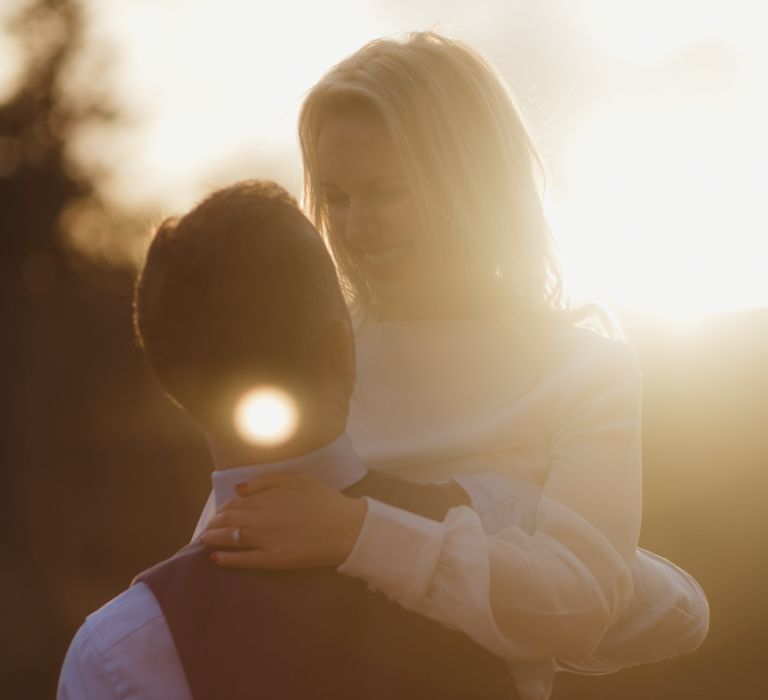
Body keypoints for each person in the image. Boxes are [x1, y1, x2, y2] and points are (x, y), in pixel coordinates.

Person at [196, 33, 709, 700]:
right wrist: (508, 524)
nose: (354, 226)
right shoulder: (308, 359)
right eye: (336, 196)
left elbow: (580, 604)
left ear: (470, 182)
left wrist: (357, 532)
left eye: (385, 192)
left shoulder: (585, 370)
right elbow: (223, 556)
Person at [58, 180, 537, 699]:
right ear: (342, 353)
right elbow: (617, 598)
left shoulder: (119, 650)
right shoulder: (505, 523)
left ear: (172, 384)